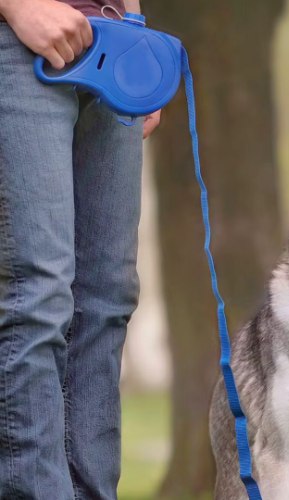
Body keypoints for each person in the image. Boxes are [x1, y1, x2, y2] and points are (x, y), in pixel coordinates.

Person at [0, 0, 161, 497]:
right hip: (18, 39)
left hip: (114, 43)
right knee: (40, 295)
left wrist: (139, 36)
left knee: (107, 300)